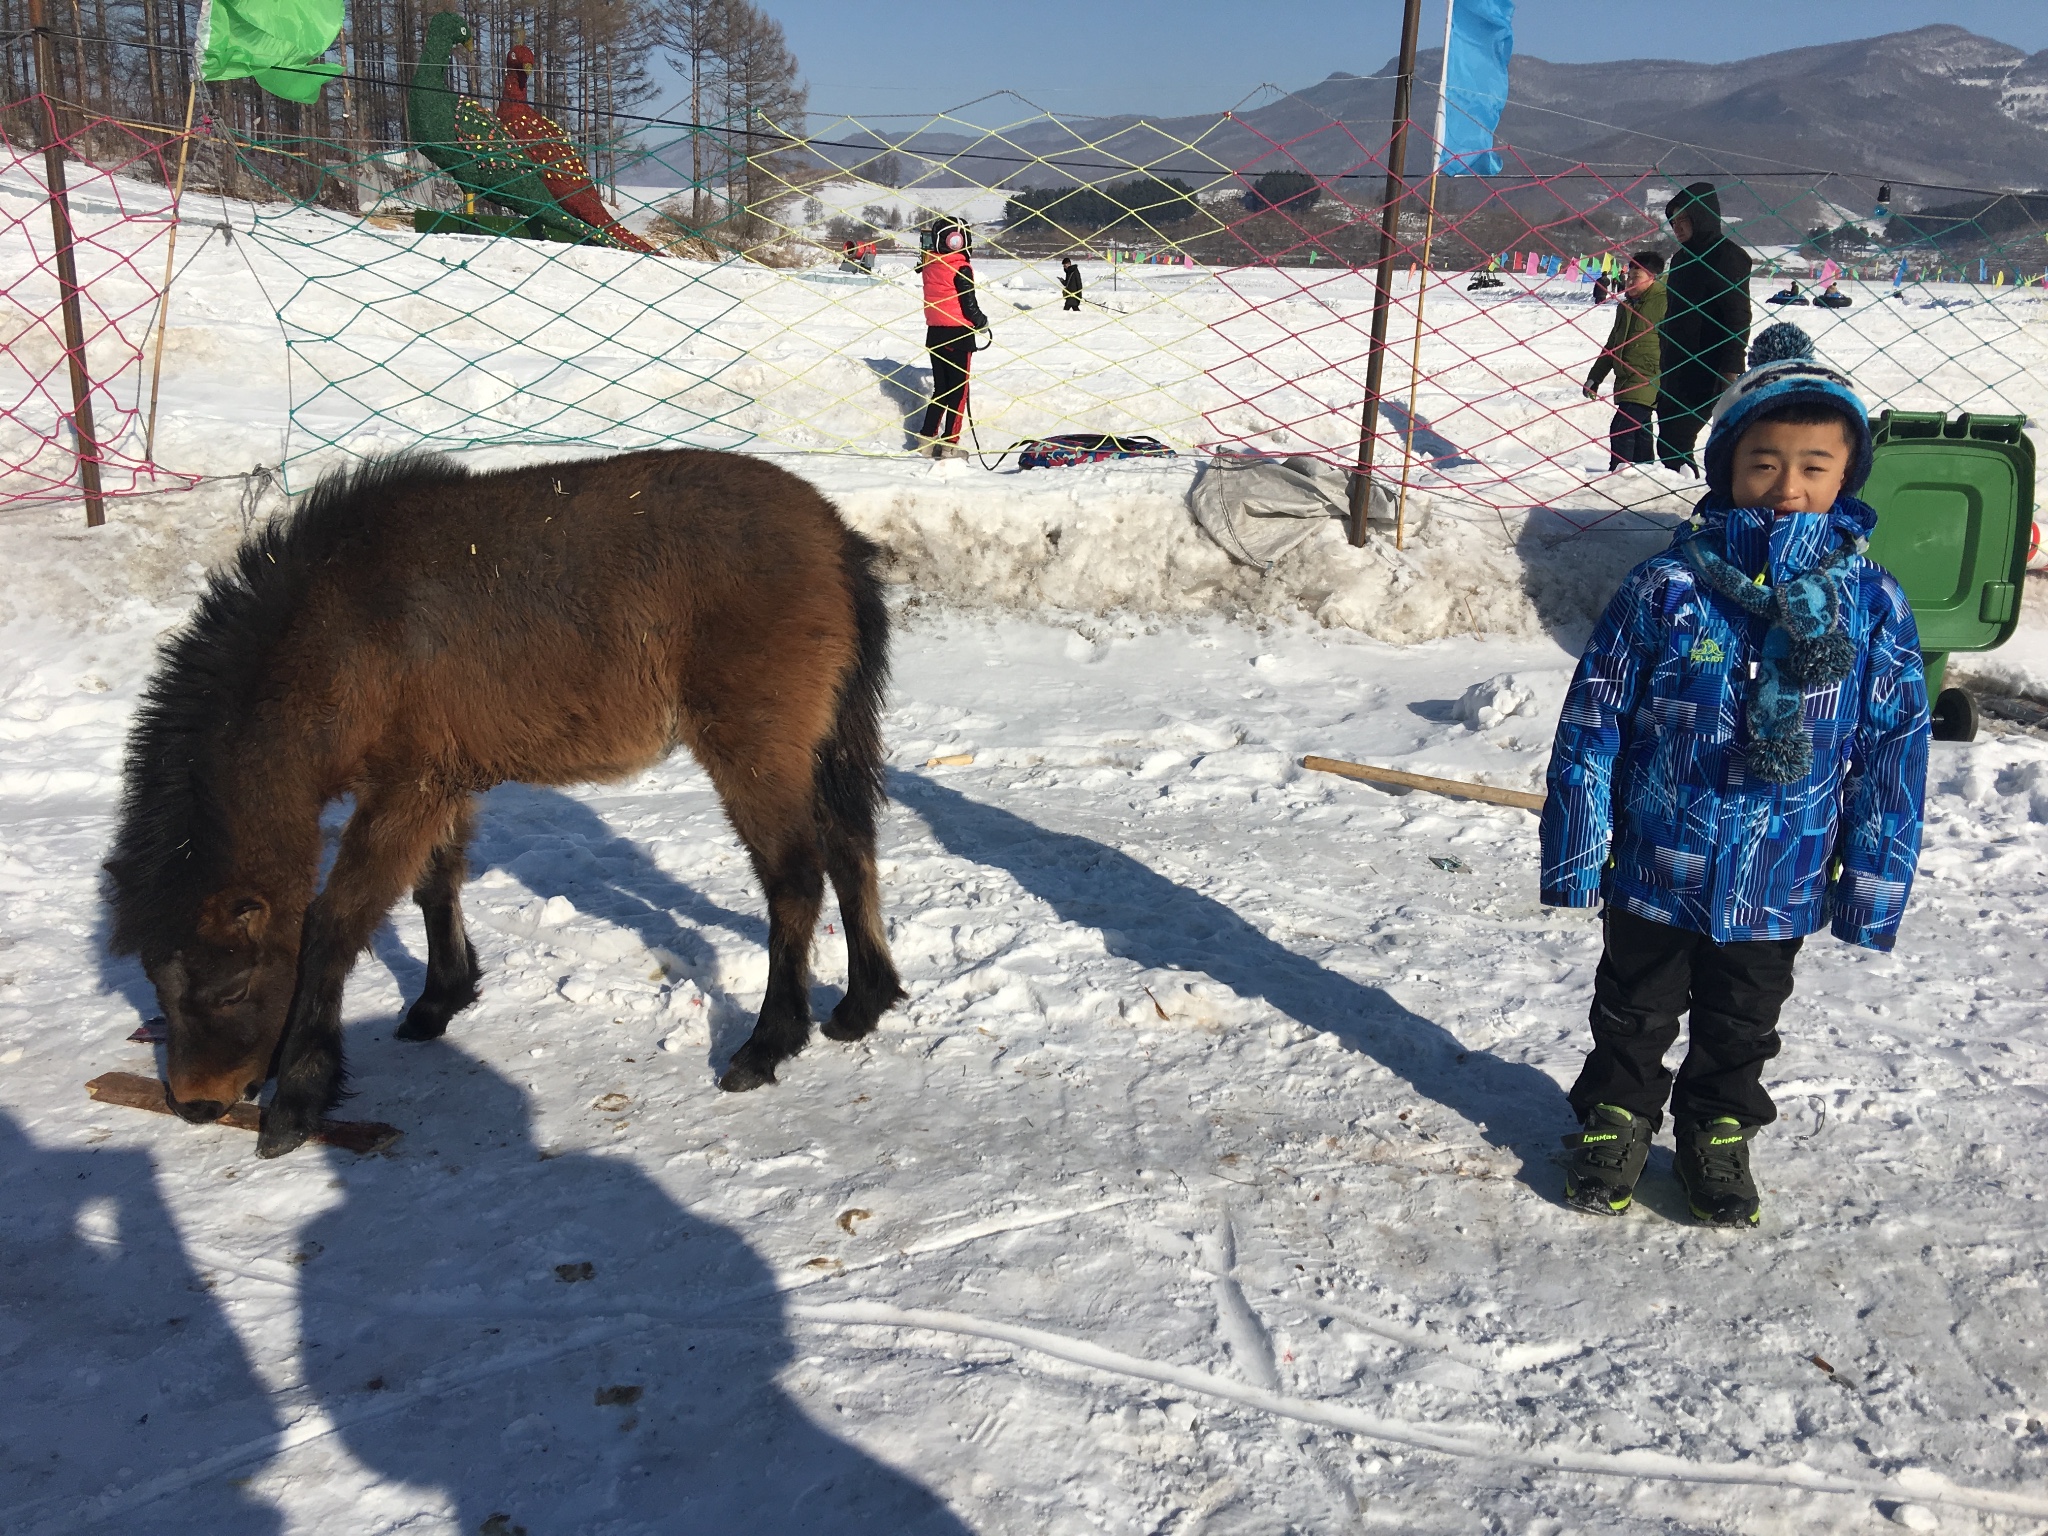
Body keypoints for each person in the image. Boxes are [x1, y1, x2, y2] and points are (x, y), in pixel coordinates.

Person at [1541, 321, 1930, 1227]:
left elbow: (1892, 755)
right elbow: (1593, 724)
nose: (1787, 488)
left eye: (1813, 466)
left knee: (1742, 1019)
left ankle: (1718, 1128)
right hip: (1656, 859)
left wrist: (1872, 885)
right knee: (1633, 1006)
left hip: (1782, 872)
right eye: (1764, 463)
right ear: (1726, 467)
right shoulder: (1665, 589)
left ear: (1846, 477)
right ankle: (1614, 1117)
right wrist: (1576, 849)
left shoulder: (1871, 605)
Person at [1657, 182, 1753, 474]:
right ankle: (1680, 489)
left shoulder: (1728, 256)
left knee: (1679, 438)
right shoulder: (1681, 258)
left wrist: (1730, 367)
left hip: (1707, 365)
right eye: (1673, 221)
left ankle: (1686, 496)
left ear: (1702, 216)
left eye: (1684, 219)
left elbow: (1737, 315)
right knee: (1669, 441)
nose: (1678, 227)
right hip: (1674, 364)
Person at [1583, 250, 1667, 469]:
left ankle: (1619, 473)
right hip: (1626, 379)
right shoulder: (1626, 306)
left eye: (1635, 277)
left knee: (1622, 427)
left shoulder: (1667, 303)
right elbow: (1612, 346)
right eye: (1628, 276)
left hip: (1650, 377)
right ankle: (1645, 472)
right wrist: (1595, 378)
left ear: (1653, 277)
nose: (1629, 281)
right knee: (1641, 430)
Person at [917, 217, 988, 458]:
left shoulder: (930, 265)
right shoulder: (961, 267)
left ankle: (926, 440)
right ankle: (950, 445)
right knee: (959, 391)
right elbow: (969, 304)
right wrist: (982, 322)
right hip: (958, 335)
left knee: (942, 389)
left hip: (935, 333)